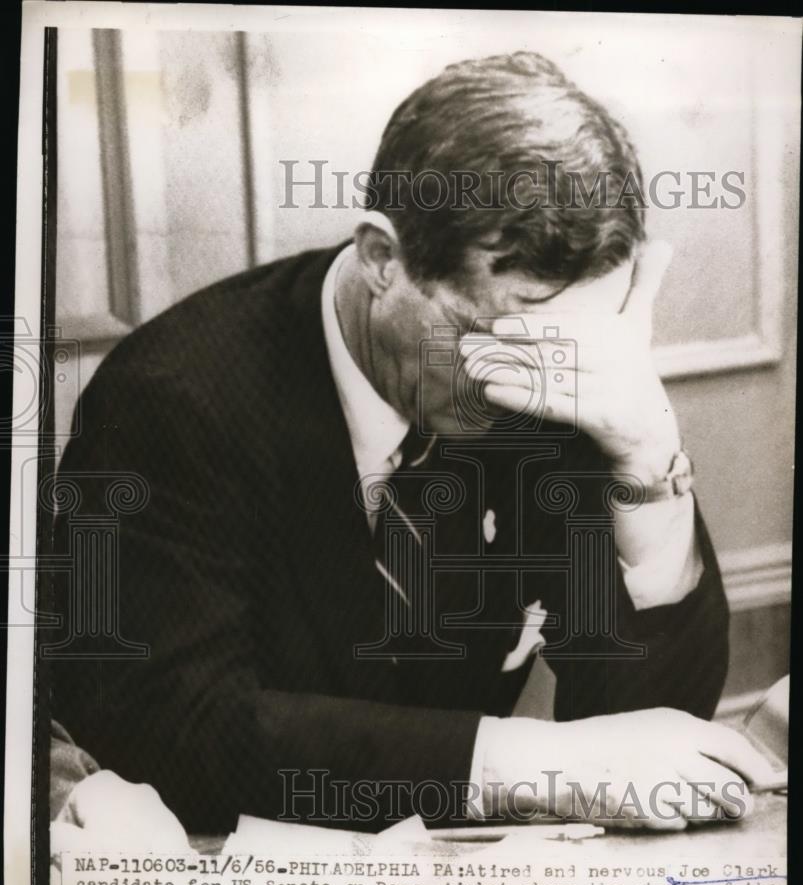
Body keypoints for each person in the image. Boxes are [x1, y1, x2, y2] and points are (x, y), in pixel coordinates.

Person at [48, 51, 772, 835]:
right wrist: (518, 763)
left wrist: (645, 462)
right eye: (491, 336)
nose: (526, 380)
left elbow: (648, 730)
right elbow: (177, 731)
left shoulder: (557, 374)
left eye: (568, 339)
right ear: (381, 259)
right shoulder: (172, 399)